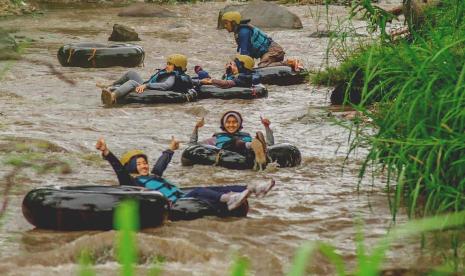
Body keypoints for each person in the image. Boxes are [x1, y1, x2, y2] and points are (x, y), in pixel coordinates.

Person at [95, 136, 275, 211]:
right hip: (173, 204)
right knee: (198, 192)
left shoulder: (154, 176)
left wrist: (171, 149)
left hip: (181, 195)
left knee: (219, 187)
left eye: (144, 163)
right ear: (132, 167)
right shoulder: (131, 183)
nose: (143, 166)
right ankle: (229, 199)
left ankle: (252, 188)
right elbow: (119, 168)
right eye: (139, 164)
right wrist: (106, 152)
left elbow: (161, 163)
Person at [98, 54, 193, 107]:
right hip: (148, 85)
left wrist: (146, 86)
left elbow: (165, 86)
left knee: (132, 83)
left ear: (178, 67)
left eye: (170, 64)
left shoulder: (173, 77)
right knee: (131, 73)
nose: (167, 65)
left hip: (151, 89)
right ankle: (110, 84)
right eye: (167, 63)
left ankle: (113, 96)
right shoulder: (169, 72)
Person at [189, 111, 274, 170]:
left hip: (246, 155)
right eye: (228, 122)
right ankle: (251, 146)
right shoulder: (216, 138)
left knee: (254, 145)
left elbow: (269, 145)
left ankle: (254, 150)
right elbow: (192, 147)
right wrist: (196, 128)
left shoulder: (246, 137)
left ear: (239, 123)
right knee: (234, 141)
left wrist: (267, 127)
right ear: (224, 124)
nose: (231, 125)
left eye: (234, 122)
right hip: (228, 153)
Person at [221, 11, 303, 70]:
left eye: (226, 23)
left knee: (262, 67)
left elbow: (244, 54)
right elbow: (248, 55)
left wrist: (239, 67)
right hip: (269, 52)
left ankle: (290, 63)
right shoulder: (239, 32)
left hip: (274, 51)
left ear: (234, 23)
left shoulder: (243, 32)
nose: (224, 26)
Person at [193, 55, 260, 89]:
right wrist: (228, 73)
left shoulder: (243, 77)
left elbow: (226, 83)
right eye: (230, 64)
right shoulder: (238, 74)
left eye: (233, 65)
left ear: (241, 68)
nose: (230, 66)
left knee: (203, 75)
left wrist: (211, 81)